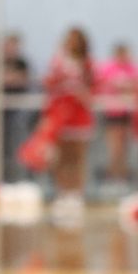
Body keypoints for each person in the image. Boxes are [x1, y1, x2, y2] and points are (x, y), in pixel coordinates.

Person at [42, 28, 96, 221]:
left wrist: (81, 93)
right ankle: (63, 192)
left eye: (76, 40)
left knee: (77, 157)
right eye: (69, 39)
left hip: (79, 116)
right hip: (61, 117)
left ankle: (76, 194)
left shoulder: (87, 63)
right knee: (61, 158)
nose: (72, 43)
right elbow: (50, 86)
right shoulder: (58, 63)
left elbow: (92, 89)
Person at [97, 43, 137, 192]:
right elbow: (101, 84)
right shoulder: (108, 68)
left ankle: (122, 176)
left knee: (124, 146)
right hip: (112, 112)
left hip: (128, 112)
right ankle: (113, 176)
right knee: (114, 147)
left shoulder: (132, 68)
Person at [1, 33, 34, 182]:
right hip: (2, 110)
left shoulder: (22, 63)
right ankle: (4, 177)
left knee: (18, 143)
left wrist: (11, 79)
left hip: (18, 110)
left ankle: (19, 177)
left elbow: (24, 80)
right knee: (2, 146)